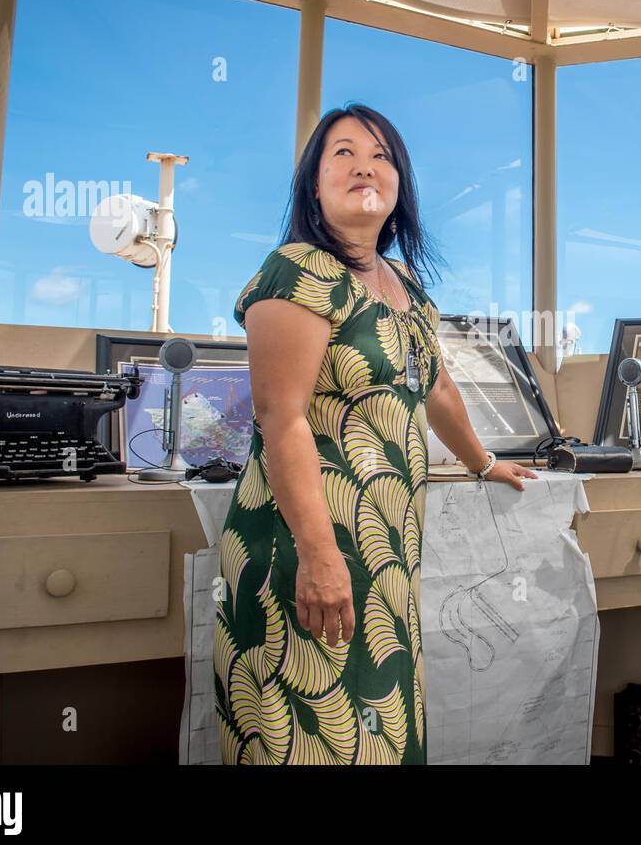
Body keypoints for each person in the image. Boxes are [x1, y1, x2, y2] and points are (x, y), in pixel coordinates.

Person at [214, 103, 539, 765]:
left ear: (400, 185)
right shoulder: (297, 270)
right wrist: (319, 554)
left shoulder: (408, 289)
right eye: (344, 152)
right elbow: (283, 416)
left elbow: (439, 387)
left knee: (381, 737)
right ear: (313, 184)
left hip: (383, 557)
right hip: (304, 548)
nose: (366, 164)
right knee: (305, 739)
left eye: (382, 155)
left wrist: (483, 464)